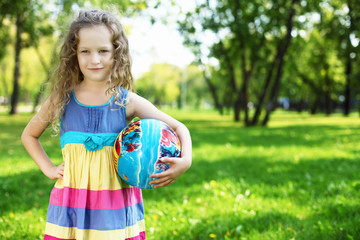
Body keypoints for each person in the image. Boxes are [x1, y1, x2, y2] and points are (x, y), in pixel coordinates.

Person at [21, 9, 192, 240]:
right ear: (74, 54)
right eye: (85, 51)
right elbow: (28, 135)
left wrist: (186, 161)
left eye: (103, 50)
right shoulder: (61, 98)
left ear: (117, 53)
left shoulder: (127, 101)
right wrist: (49, 168)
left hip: (115, 208)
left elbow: (179, 128)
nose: (95, 59)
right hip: (71, 205)